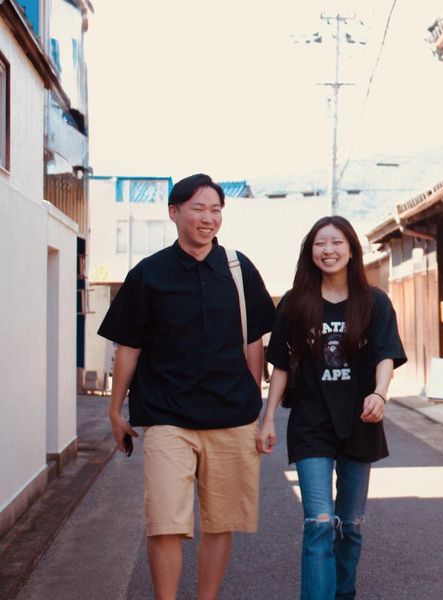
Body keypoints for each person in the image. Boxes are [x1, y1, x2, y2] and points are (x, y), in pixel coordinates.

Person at [98, 173, 275, 600]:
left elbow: (254, 340)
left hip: (230, 416)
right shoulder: (148, 274)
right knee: (165, 523)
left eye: (215, 210)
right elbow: (129, 347)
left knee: (221, 521)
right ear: (174, 212)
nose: (208, 218)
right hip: (166, 417)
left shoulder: (238, 269)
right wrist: (115, 410)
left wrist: (255, 403)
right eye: (198, 208)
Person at [258, 215, 406, 600]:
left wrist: (380, 394)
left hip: (361, 421)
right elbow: (280, 366)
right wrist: (268, 418)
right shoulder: (295, 303)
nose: (328, 250)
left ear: (352, 250)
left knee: (351, 525)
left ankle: (343, 593)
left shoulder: (374, 302)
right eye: (320, 243)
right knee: (320, 522)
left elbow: (386, 354)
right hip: (311, 423)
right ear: (310, 252)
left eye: (337, 242)